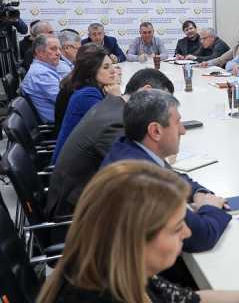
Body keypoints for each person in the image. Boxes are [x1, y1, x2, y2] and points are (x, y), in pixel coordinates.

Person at [38, 161, 239, 303]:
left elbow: (192, 300)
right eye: (176, 227)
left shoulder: (115, 270)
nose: (186, 233)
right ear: (136, 238)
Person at [101, 89, 231, 253]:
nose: (183, 130)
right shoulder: (144, 182)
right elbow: (201, 236)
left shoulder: (128, 148)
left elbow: (171, 175)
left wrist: (198, 193)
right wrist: (211, 207)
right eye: (177, 123)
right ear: (155, 131)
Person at [46, 69, 174, 220]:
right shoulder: (117, 123)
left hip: (84, 195)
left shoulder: (113, 105)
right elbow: (147, 173)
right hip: (76, 215)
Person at [51, 44, 120, 164]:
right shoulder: (87, 96)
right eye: (106, 67)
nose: (113, 71)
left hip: (79, 161)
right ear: (91, 70)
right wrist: (116, 99)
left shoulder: (90, 89)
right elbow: (114, 128)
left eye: (111, 65)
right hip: (73, 168)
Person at [20, 34, 67, 123]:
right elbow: (65, 100)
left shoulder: (44, 69)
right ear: (40, 52)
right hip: (59, 123)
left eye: (59, 49)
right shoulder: (41, 73)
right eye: (53, 49)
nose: (59, 53)